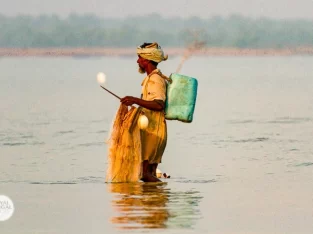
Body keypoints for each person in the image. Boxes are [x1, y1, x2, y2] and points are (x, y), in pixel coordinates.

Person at [120, 42, 169, 182]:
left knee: (144, 174)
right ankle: (156, 201)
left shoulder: (155, 79)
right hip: (154, 130)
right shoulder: (150, 78)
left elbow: (159, 105)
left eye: (139, 57)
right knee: (150, 174)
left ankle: (162, 195)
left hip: (154, 131)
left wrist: (135, 100)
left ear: (147, 60)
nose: (137, 61)